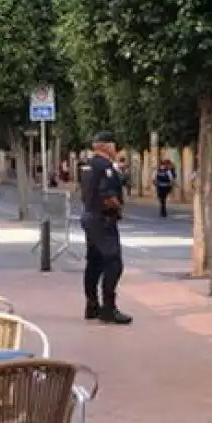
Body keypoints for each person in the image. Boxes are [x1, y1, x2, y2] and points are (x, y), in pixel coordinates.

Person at [81, 131, 132, 325]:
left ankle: (91, 304)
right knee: (113, 262)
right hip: (103, 219)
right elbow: (107, 194)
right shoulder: (105, 166)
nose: (115, 148)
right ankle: (109, 309)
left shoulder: (88, 165)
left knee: (94, 262)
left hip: (89, 216)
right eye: (113, 144)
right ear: (105, 146)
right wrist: (118, 207)